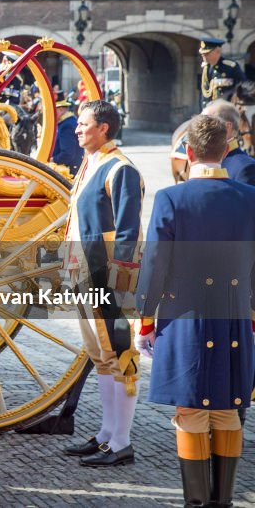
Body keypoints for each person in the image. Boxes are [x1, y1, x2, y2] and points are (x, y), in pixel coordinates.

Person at [135, 115, 255, 507]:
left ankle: (197, 503)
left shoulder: (172, 198)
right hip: (236, 316)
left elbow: (155, 263)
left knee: (191, 411)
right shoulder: (250, 197)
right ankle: (221, 502)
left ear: (187, 152)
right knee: (227, 408)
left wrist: (146, 319)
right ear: (227, 149)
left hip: (184, 318)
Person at [60, 100, 144, 465]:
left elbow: (127, 233)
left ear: (104, 128)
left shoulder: (120, 169)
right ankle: (107, 435)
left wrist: (120, 285)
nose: (77, 129)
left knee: (121, 355)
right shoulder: (91, 163)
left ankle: (122, 441)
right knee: (101, 357)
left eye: (83, 123)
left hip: (106, 277)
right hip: (84, 272)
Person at [201, 100, 255, 185]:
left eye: (207, 122)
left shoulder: (246, 167)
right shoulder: (198, 161)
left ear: (227, 128)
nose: (198, 127)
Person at [198, 37, 244, 109]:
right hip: (209, 110)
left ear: (217, 52)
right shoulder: (206, 68)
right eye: (202, 53)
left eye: (207, 53)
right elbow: (205, 93)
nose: (203, 56)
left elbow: (242, 84)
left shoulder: (230, 66)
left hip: (227, 110)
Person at [51, 92, 84, 176]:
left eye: (53, 110)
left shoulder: (67, 125)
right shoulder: (67, 122)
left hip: (68, 172)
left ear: (61, 110)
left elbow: (67, 154)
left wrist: (51, 160)